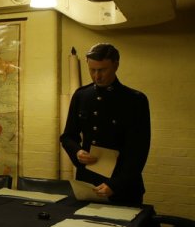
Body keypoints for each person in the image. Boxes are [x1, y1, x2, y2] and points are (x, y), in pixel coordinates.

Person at [60, 43, 151, 206]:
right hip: (88, 183)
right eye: (92, 70)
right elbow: (68, 136)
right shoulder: (82, 96)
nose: (97, 76)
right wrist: (78, 152)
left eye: (102, 70)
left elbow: (139, 150)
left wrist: (116, 184)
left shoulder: (134, 100)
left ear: (116, 65)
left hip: (123, 186)